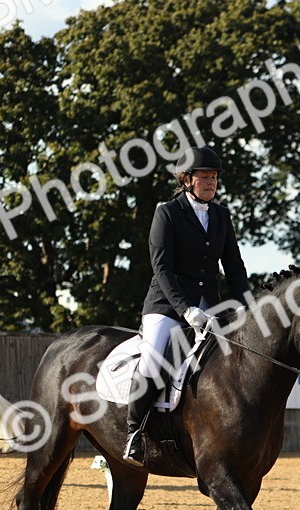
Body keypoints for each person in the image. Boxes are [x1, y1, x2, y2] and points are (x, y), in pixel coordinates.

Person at [122, 146, 251, 466]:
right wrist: (184, 309)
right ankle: (134, 432)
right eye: (205, 177)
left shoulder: (221, 215)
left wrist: (248, 304)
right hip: (167, 305)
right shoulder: (167, 212)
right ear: (187, 179)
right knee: (154, 360)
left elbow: (234, 266)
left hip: (212, 306)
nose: (211, 182)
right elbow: (162, 268)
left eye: (214, 177)